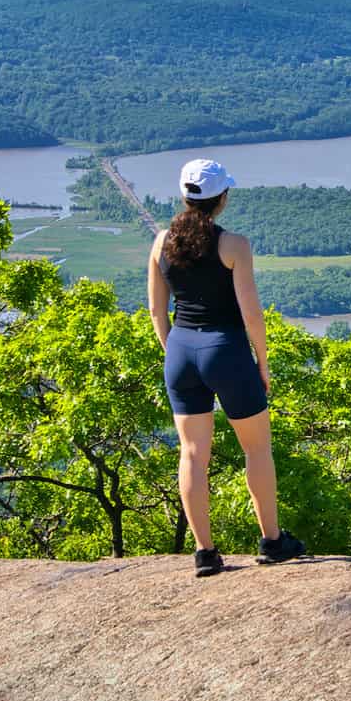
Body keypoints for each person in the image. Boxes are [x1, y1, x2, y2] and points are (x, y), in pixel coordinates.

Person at [147, 158, 306, 576]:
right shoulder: (234, 245)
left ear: (183, 196)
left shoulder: (161, 242)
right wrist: (262, 363)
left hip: (181, 351)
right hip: (227, 351)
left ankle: (205, 553)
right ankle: (272, 542)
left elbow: (155, 311)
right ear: (222, 198)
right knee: (256, 448)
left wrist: (175, 351)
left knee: (193, 454)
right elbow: (251, 313)